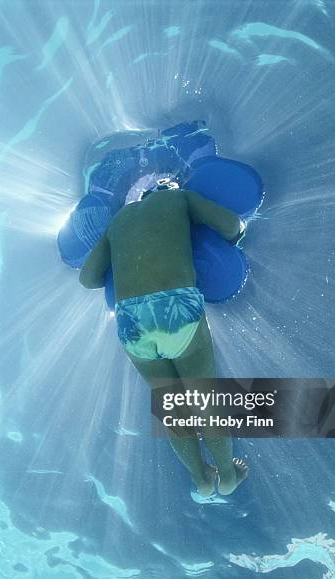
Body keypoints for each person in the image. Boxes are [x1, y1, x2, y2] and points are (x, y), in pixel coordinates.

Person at [79, 176, 248, 497]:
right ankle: (226, 476)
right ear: (168, 187)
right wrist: (239, 233)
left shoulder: (119, 221)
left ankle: (200, 479)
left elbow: (87, 278)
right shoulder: (180, 198)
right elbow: (231, 225)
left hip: (130, 320)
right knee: (203, 400)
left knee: (173, 407)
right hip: (175, 306)